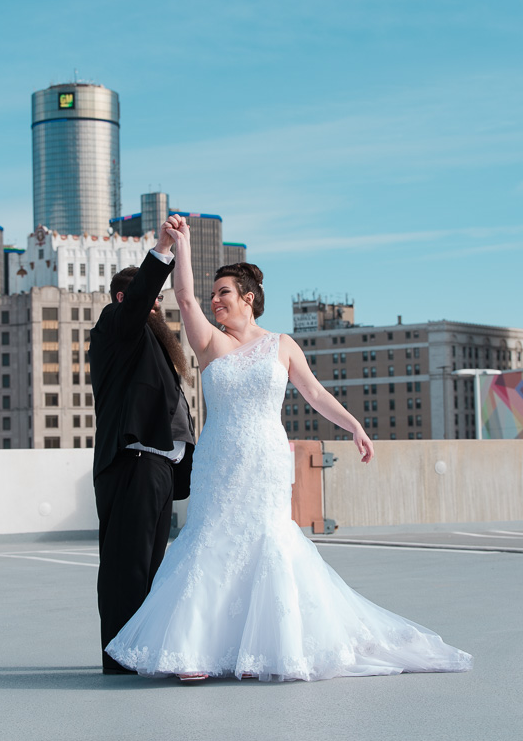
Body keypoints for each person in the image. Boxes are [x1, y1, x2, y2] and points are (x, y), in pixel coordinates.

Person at [105, 215, 472, 682]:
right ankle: (194, 652)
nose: (215, 301)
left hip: (265, 460)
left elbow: (316, 395)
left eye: (224, 294)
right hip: (219, 460)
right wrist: (181, 247)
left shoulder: (282, 345)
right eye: (213, 294)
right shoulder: (210, 344)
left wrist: (354, 426)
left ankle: (267, 648)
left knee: (267, 541)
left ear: (248, 299)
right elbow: (182, 297)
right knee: (211, 540)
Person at [89, 223, 195, 674]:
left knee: (150, 568)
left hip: (155, 467)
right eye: (150, 299)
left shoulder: (147, 340)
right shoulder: (116, 324)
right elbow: (137, 301)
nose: (156, 306)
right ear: (123, 300)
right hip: (132, 463)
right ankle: (119, 656)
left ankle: (139, 650)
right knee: (127, 568)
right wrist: (163, 252)